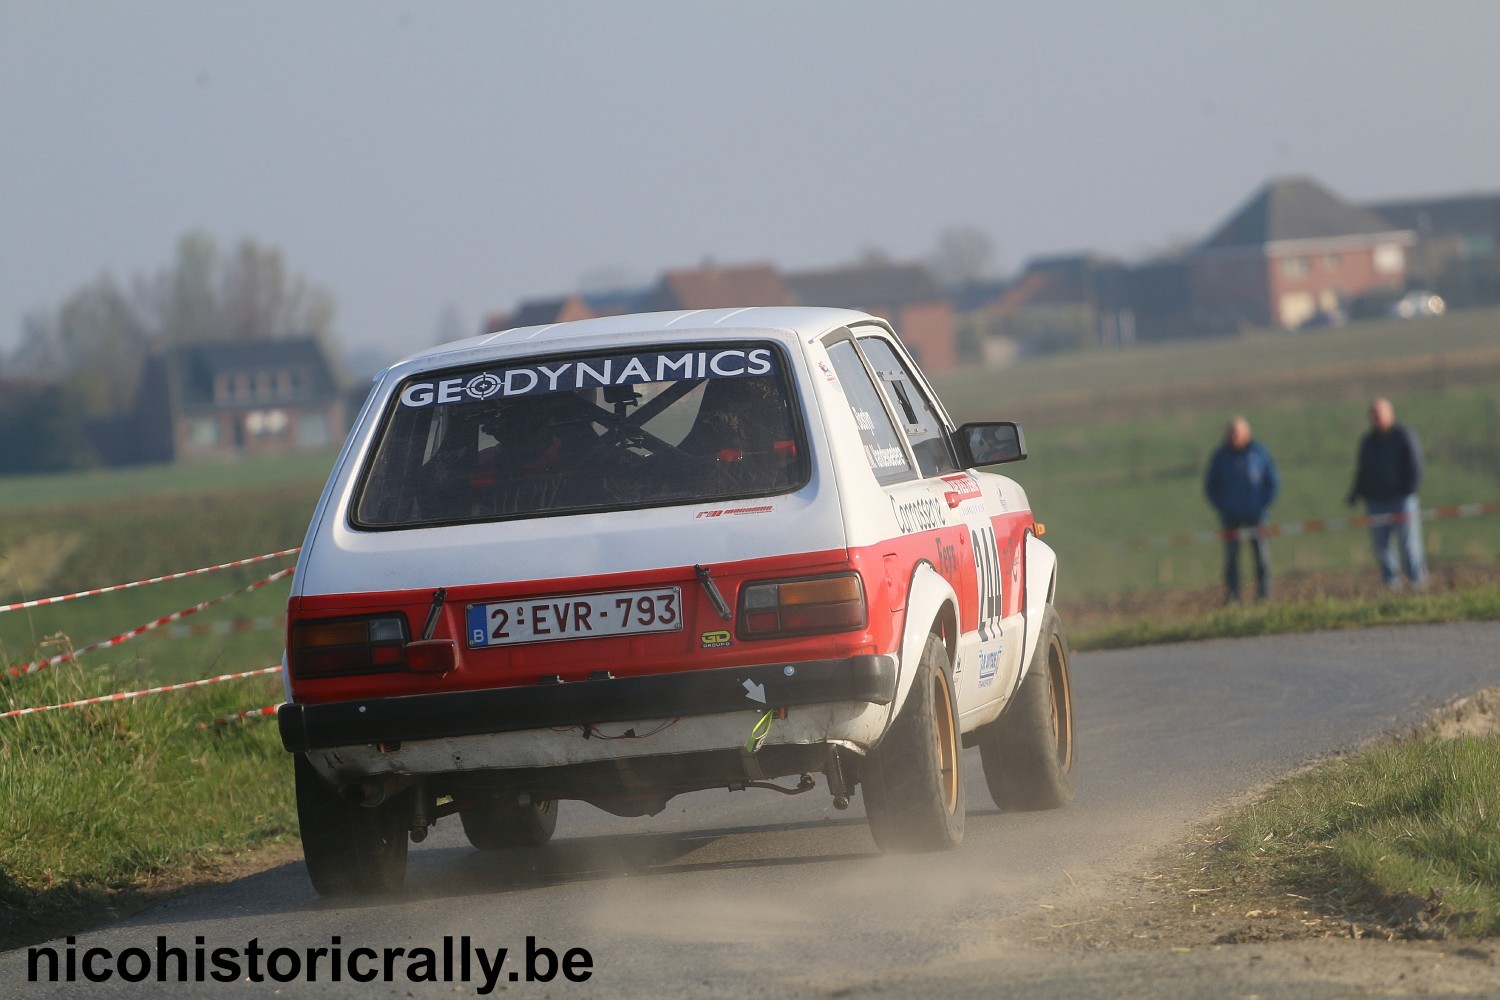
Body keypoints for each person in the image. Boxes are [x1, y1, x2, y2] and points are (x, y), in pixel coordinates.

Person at [1346, 397, 1427, 588]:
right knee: (1381, 546)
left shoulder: (1403, 436)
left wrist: (1409, 490)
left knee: (1409, 543)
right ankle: (1392, 584)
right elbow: (1362, 470)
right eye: (1373, 415)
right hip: (1376, 501)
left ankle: (1418, 583)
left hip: (1401, 498)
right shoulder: (1368, 442)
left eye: (1379, 414)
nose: (1376, 419)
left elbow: (1416, 464)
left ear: (1390, 414)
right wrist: (1355, 492)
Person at [1204, 416, 1280, 602]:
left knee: (1262, 558)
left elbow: (1273, 482)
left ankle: (1264, 596)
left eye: (1236, 433)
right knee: (1232, 560)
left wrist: (1262, 504)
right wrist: (1222, 506)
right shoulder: (1220, 457)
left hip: (1256, 515)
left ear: (1246, 434)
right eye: (1230, 433)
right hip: (1230, 516)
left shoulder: (1259, 453)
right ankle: (1232, 598)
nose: (1233, 437)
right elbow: (1210, 486)